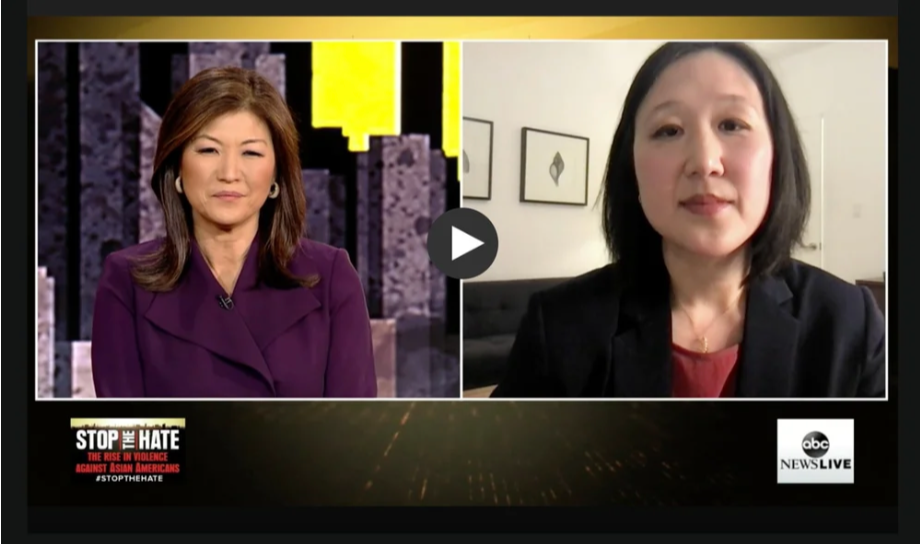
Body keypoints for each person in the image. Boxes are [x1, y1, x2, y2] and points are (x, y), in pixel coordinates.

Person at [491, 42, 885, 399]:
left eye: (732, 125)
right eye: (669, 130)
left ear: (776, 156)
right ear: (632, 168)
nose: (704, 162)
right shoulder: (559, 327)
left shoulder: (849, 322)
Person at [91, 66, 377, 398]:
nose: (229, 173)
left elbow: (355, 433)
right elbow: (130, 443)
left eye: (251, 153)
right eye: (208, 150)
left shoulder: (329, 278)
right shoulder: (127, 280)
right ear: (177, 169)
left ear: (275, 176)